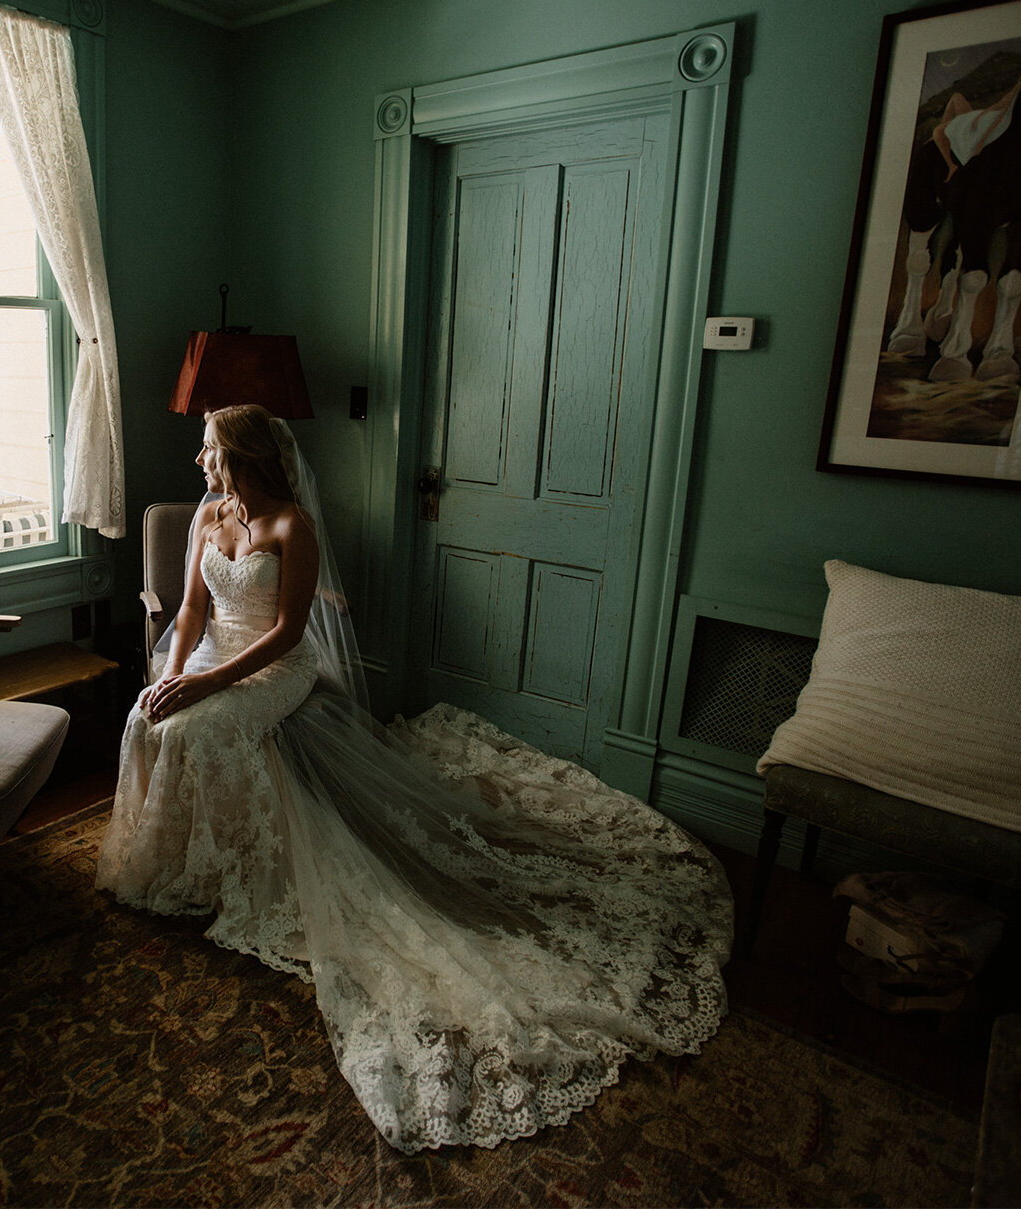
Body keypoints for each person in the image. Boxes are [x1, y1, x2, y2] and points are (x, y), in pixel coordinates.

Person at [96, 404, 732, 1153]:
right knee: (144, 720)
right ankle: (175, 857)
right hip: (209, 657)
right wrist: (169, 678)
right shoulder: (208, 517)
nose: (200, 461)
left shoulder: (293, 526)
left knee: (203, 730)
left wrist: (205, 689)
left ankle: (229, 865)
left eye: (210, 450)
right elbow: (190, 612)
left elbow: (289, 634)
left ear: (242, 454)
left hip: (272, 668)